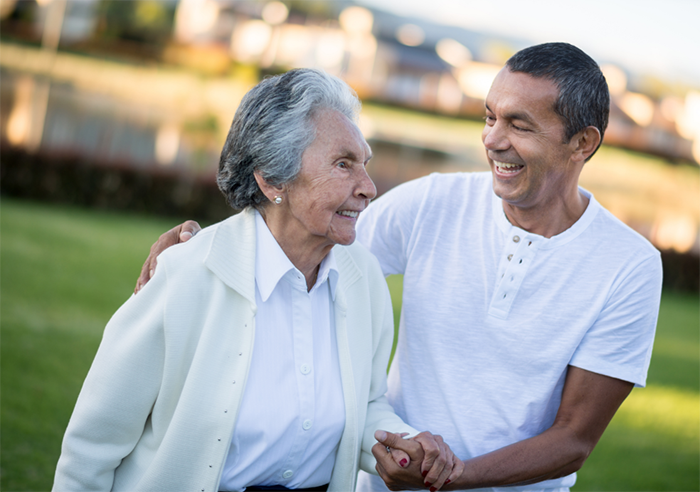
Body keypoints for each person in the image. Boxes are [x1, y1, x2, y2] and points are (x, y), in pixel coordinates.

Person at [136, 43, 663, 492]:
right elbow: (303, 238)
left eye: (519, 124)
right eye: (489, 116)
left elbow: (573, 438)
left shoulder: (630, 266)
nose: (493, 139)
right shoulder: (435, 201)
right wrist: (201, 248)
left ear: (582, 143)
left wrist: (452, 476)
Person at [54, 69, 462, 492]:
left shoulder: (364, 281)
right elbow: (91, 449)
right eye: (344, 164)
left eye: (365, 165)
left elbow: (365, 404)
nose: (369, 187)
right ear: (271, 180)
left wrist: (405, 444)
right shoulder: (185, 275)